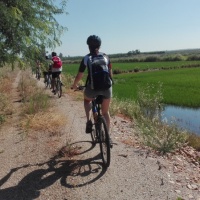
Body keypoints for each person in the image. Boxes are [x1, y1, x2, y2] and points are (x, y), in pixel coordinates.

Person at [71, 35, 113, 140]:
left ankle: (89, 120)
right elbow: (110, 74)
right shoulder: (106, 56)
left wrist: (75, 85)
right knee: (105, 112)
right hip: (106, 88)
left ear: (88, 46)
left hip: (92, 88)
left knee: (87, 101)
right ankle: (108, 137)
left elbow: (80, 74)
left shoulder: (86, 58)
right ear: (100, 45)